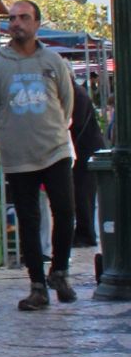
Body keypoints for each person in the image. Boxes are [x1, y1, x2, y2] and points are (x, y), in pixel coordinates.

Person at [0, 0, 79, 309]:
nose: (17, 23)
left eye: (24, 17)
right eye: (12, 18)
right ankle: (37, 285)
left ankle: (60, 271)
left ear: (36, 23)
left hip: (55, 149)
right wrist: (6, 135)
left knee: (65, 212)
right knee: (28, 219)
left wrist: (54, 129)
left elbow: (67, 102)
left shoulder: (53, 61)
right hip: (18, 155)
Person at [71, 81, 106, 248]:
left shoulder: (78, 94)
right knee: (82, 193)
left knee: (83, 193)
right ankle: (83, 232)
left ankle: (86, 234)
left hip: (86, 151)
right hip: (82, 150)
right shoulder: (77, 93)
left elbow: (75, 123)